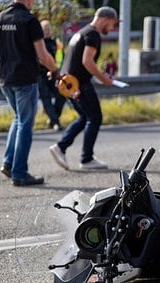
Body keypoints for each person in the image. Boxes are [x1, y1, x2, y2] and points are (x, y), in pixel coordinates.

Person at [0, 0, 60, 186]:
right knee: (25, 125)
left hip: (4, 78)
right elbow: (43, 55)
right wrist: (55, 70)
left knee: (18, 119)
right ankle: (19, 173)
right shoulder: (29, 20)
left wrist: (10, 57)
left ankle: (8, 163)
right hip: (25, 79)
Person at [49, 6, 118, 170]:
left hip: (68, 83)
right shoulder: (93, 34)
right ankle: (85, 159)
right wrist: (104, 79)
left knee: (84, 117)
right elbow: (87, 61)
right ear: (105, 19)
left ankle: (62, 147)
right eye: (111, 24)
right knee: (95, 118)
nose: (111, 28)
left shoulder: (81, 32)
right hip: (80, 84)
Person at [37, 19, 66, 131]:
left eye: (48, 28)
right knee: (46, 99)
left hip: (55, 74)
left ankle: (53, 118)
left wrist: (57, 70)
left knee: (61, 96)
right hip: (41, 74)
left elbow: (61, 58)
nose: (47, 31)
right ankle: (56, 122)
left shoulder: (57, 43)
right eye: (44, 29)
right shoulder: (38, 43)